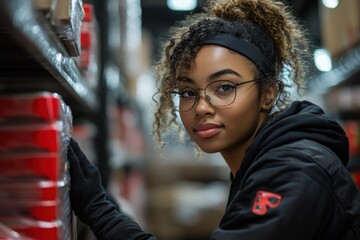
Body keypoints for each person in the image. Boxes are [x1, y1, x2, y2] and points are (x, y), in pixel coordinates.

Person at [67, 0, 360, 239]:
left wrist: (99, 209)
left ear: (268, 92)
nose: (201, 107)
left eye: (224, 88)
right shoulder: (265, 162)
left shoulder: (294, 169)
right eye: (188, 92)